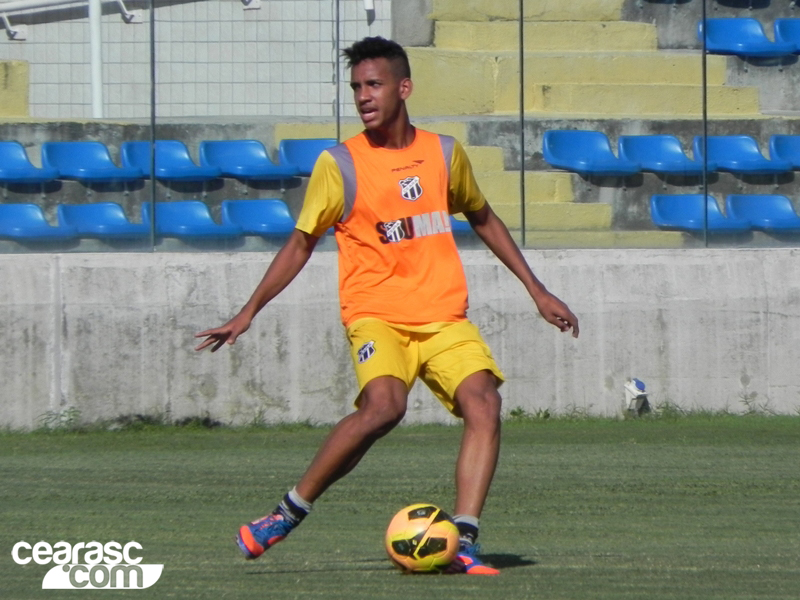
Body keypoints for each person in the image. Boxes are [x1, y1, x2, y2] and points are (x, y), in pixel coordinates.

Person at [195, 36, 579, 576]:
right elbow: (301, 243)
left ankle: (463, 540)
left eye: (373, 84)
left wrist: (537, 290)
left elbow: (483, 217)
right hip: (376, 314)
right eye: (356, 87)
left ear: (404, 88)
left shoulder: (443, 153)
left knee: (485, 403)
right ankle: (285, 514)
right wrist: (248, 311)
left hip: (443, 316)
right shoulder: (340, 164)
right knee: (384, 408)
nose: (363, 96)